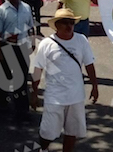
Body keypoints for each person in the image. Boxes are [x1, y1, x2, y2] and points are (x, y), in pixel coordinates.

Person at [31, 9, 98, 152]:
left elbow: (89, 64)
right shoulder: (47, 44)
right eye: (65, 23)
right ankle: (44, 149)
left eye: (71, 23)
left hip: (76, 96)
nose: (69, 26)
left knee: (72, 131)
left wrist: (95, 86)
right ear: (57, 25)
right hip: (54, 97)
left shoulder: (81, 40)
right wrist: (34, 92)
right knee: (47, 132)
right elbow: (38, 69)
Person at [0, 0, 35, 118]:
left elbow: (30, 27)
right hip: (7, 46)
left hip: (22, 46)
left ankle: (22, 108)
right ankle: (1, 103)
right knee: (4, 76)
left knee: (21, 78)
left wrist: (32, 42)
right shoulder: (1, 10)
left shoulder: (27, 8)